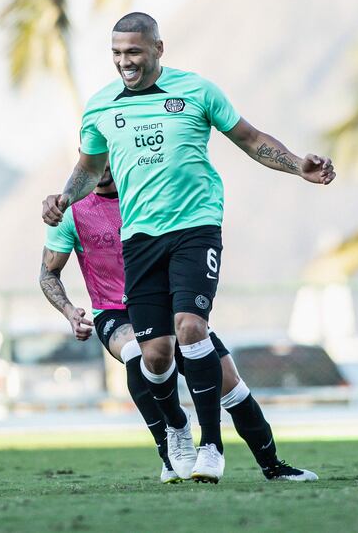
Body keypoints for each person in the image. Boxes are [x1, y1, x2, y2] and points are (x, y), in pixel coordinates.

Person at [42, 12, 335, 483]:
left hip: (195, 228)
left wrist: (298, 164)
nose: (125, 62)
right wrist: (64, 197)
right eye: (117, 54)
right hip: (139, 238)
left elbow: (251, 139)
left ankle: (212, 448)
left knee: (190, 327)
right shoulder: (99, 107)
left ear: (159, 48)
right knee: (155, 353)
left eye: (134, 52)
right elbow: (89, 168)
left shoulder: (197, 91)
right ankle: (176, 429)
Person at [40, 165, 318, 483]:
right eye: (93, 157)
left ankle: (273, 466)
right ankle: (171, 451)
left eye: (107, 156)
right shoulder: (71, 211)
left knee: (231, 384)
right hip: (113, 312)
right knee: (137, 351)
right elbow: (48, 272)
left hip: (166, 307)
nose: (102, 166)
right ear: (83, 160)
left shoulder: (148, 197)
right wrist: (67, 310)